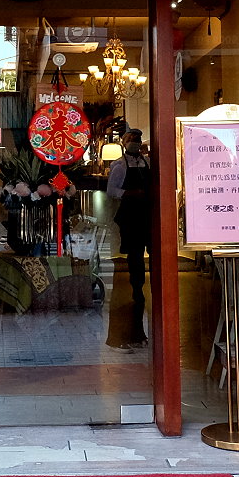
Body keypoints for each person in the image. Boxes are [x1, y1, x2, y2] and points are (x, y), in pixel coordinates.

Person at [105, 128, 152, 349]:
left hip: (148, 215)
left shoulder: (147, 162)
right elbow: (112, 190)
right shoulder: (120, 165)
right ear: (125, 143)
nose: (135, 142)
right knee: (134, 256)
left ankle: (143, 286)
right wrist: (131, 194)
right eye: (131, 139)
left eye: (137, 139)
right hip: (131, 216)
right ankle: (136, 284)